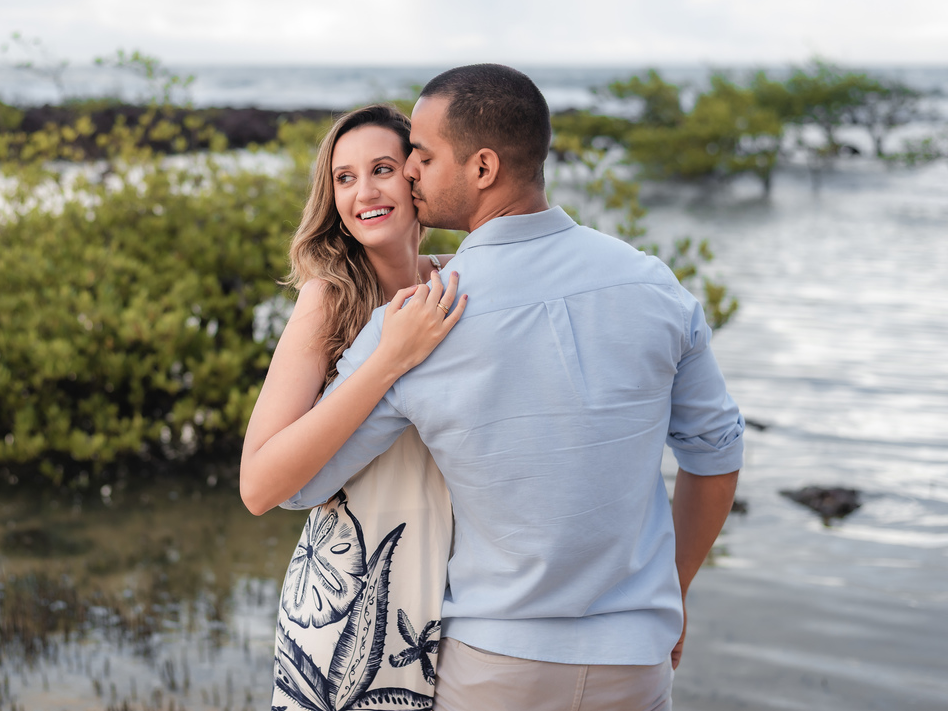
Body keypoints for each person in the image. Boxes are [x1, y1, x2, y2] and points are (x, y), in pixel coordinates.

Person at [283, 65, 744, 711]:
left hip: (496, 667)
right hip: (637, 659)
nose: (409, 169)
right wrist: (675, 586)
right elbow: (717, 453)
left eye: (422, 153)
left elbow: (299, 485)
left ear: (483, 168)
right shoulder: (652, 283)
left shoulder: (420, 319)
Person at [239, 104, 465, 710]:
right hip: (348, 616)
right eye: (343, 177)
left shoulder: (462, 284)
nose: (363, 191)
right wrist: (387, 360)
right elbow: (258, 487)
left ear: (418, 176)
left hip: (459, 613)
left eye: (383, 169)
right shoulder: (328, 301)